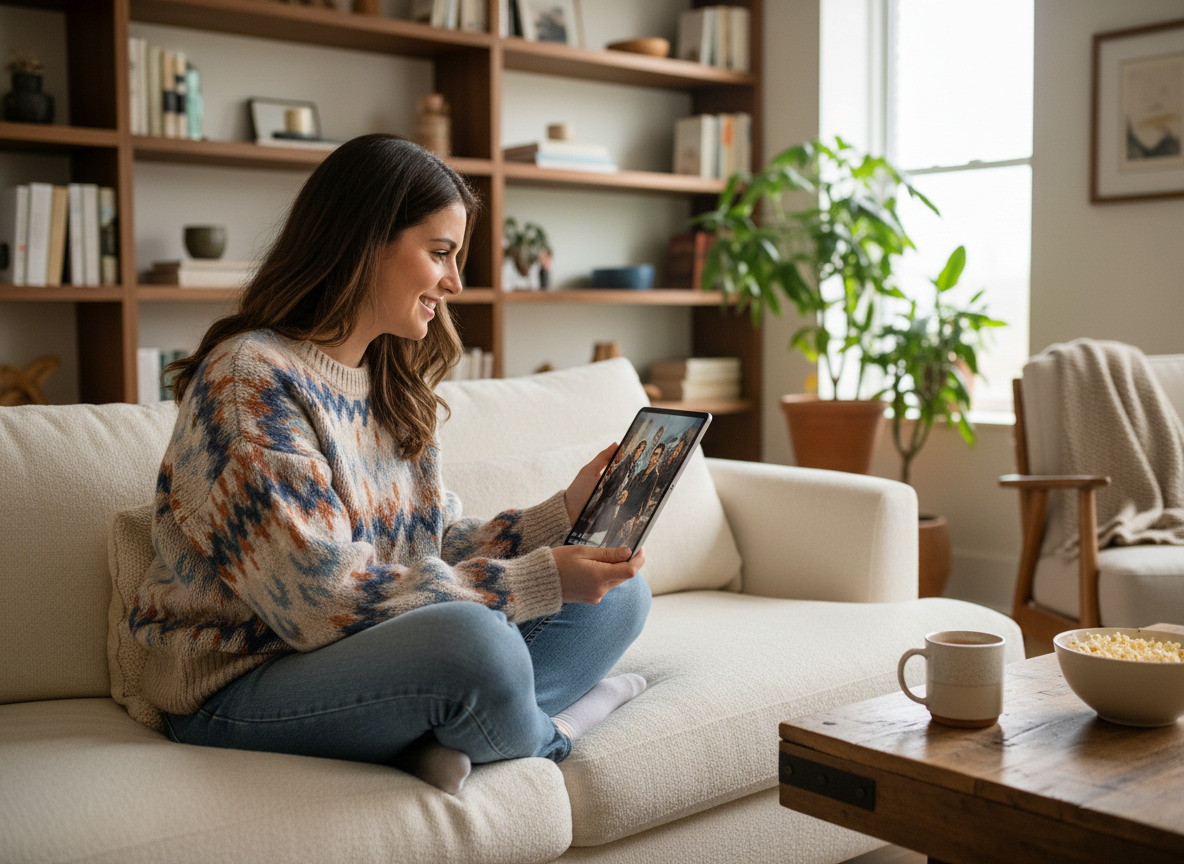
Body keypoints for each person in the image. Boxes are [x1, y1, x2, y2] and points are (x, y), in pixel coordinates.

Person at [127, 133, 651, 795]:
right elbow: (317, 600)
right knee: (474, 648)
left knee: (619, 592)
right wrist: (534, 580)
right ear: (365, 240)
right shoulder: (250, 379)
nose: (455, 283)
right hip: (237, 680)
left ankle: (451, 728)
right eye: (440, 254)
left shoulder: (388, 381)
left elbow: (423, 548)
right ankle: (558, 727)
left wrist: (561, 516)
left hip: (357, 654)